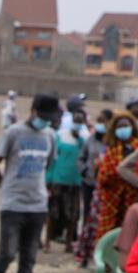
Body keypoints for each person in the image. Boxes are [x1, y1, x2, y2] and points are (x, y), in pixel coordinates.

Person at [0, 93, 58, 273]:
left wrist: (42, 190)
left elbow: (49, 164)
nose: (44, 121)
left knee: (28, 258)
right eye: (42, 116)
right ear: (32, 111)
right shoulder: (13, 133)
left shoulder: (50, 135)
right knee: (7, 253)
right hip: (13, 204)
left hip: (37, 205)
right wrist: (4, 185)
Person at [85, 105, 138, 265]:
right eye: (119, 127)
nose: (123, 129)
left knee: (131, 230)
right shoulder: (111, 150)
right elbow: (104, 176)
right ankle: (106, 262)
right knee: (108, 231)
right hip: (112, 198)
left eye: (126, 126)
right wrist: (118, 174)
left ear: (132, 128)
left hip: (133, 197)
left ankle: (127, 262)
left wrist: (128, 176)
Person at [44, 100, 87, 248]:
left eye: (80, 121)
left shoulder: (84, 138)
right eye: (76, 120)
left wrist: (79, 139)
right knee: (53, 212)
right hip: (58, 179)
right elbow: (53, 158)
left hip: (75, 181)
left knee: (72, 214)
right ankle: (48, 241)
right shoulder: (60, 135)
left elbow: (84, 158)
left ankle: (69, 242)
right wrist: (48, 177)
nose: (77, 123)